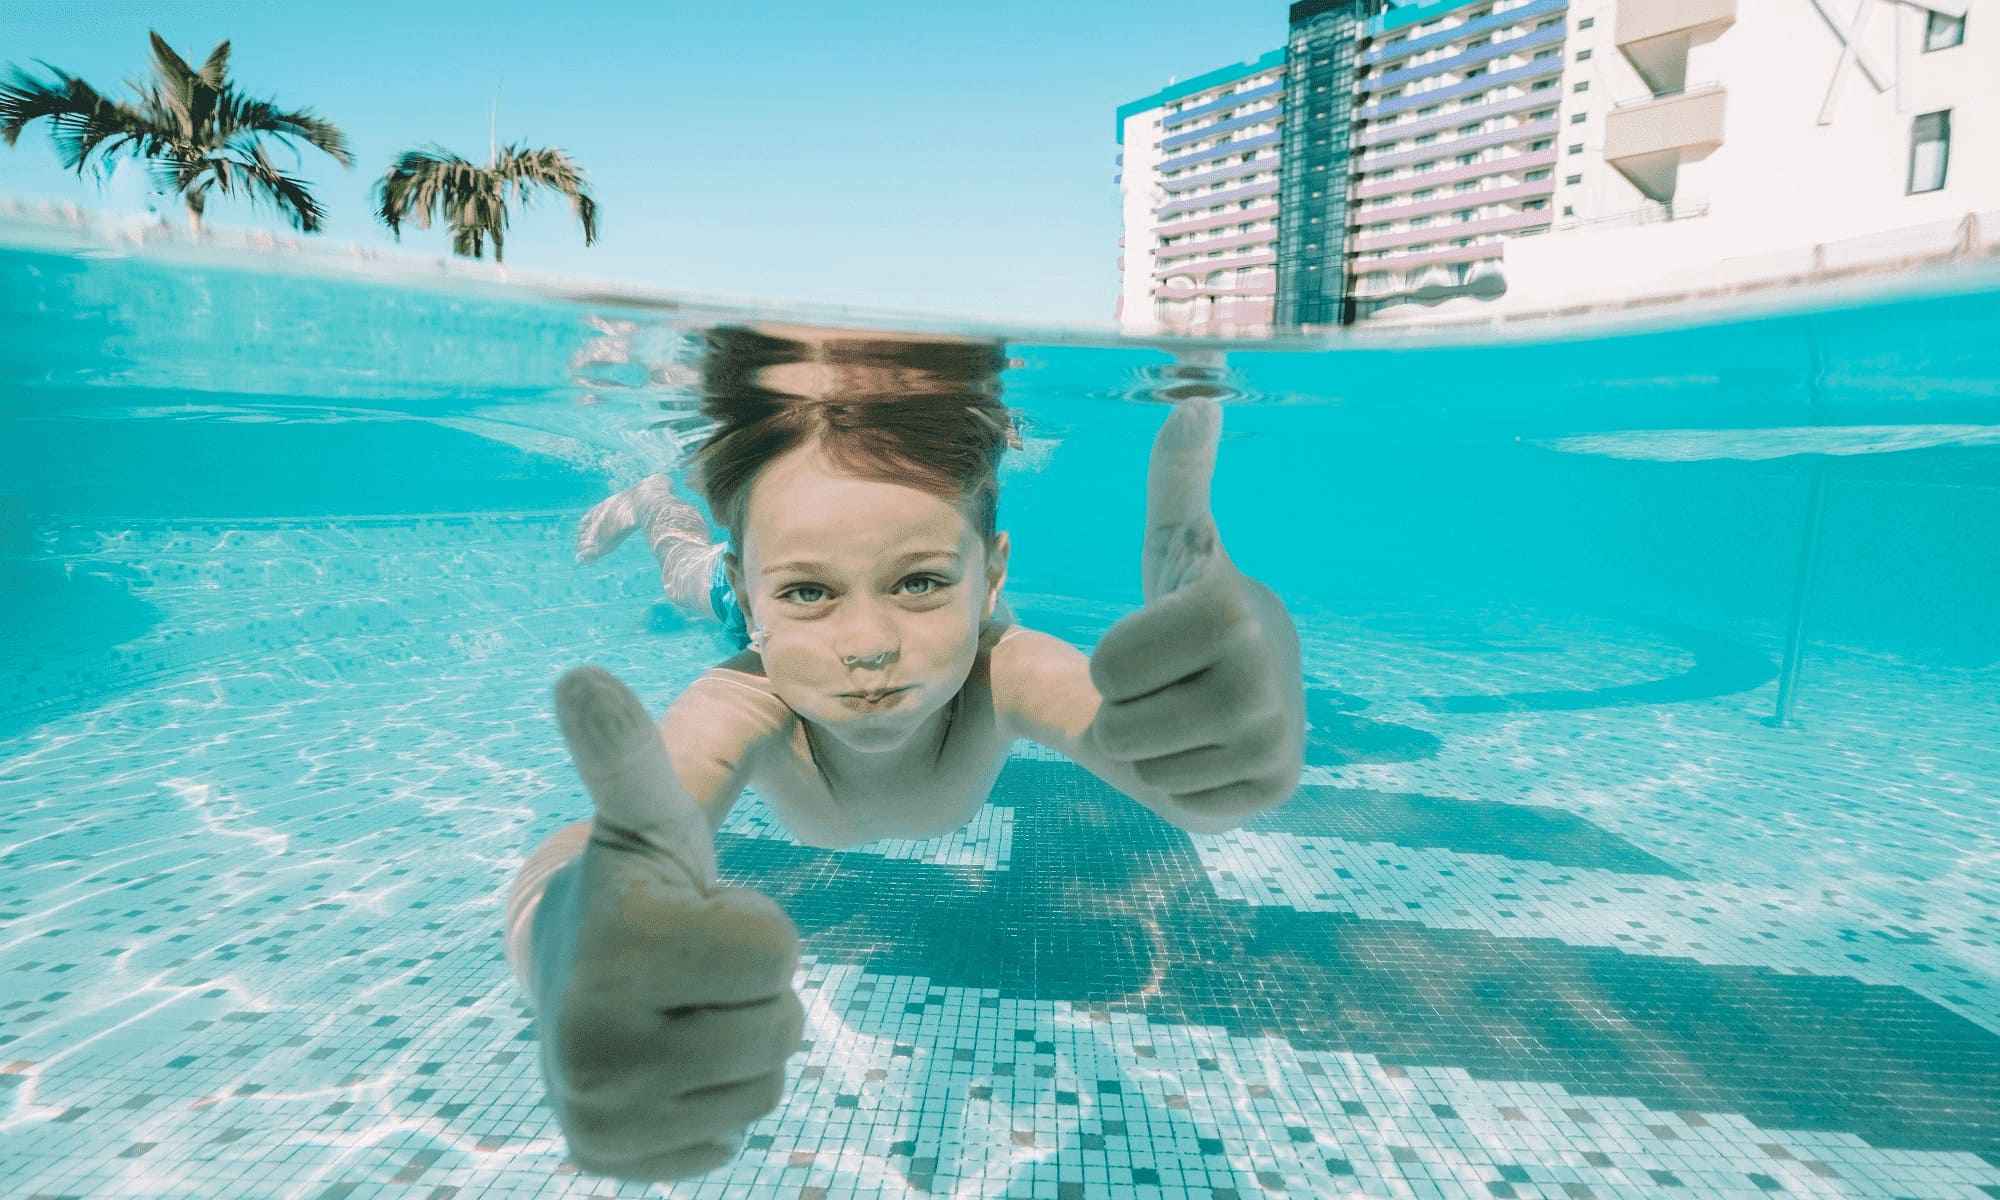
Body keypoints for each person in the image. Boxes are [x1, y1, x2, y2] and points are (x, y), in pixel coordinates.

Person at [504, 323, 1306, 1183]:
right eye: (809, 591)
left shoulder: (1003, 668)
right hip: (746, 614)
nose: (869, 646)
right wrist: (562, 934)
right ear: (759, 591)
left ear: (992, 579)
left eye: (919, 582)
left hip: (840, 613)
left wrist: (1217, 736)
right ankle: (654, 505)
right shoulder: (746, 695)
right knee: (682, 573)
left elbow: (1156, 760)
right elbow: (609, 847)